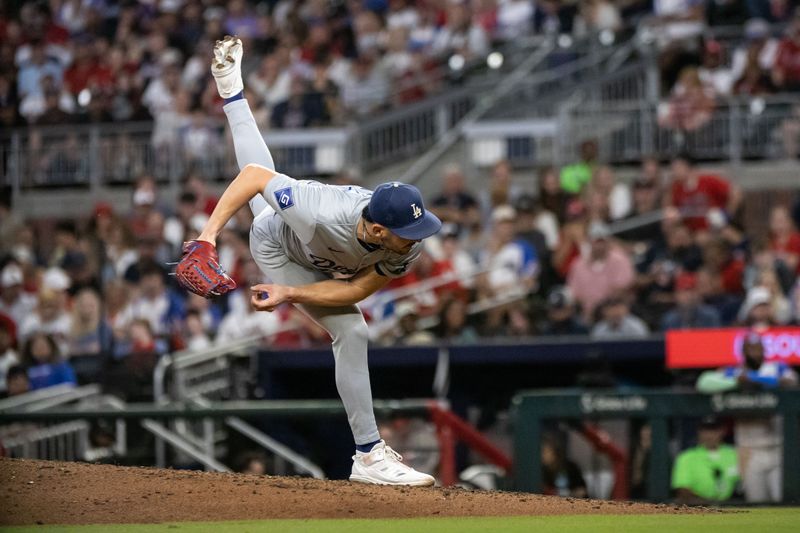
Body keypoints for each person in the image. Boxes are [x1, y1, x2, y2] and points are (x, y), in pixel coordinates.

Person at [182, 36, 440, 486]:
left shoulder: (405, 245)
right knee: (352, 329)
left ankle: (231, 92)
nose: (418, 240)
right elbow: (254, 177)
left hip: (316, 258)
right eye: (408, 232)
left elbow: (356, 290)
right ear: (379, 230)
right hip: (278, 244)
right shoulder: (320, 208)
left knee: (349, 314)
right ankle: (368, 454)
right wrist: (208, 236)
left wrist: (291, 294)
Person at [696, 332, 798, 503]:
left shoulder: (778, 368)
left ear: (765, 350)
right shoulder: (734, 372)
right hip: (748, 450)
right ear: (742, 351)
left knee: (784, 500)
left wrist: (756, 380)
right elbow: (703, 382)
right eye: (750, 349)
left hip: (778, 447)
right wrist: (736, 382)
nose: (755, 353)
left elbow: (791, 382)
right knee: (756, 502)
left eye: (758, 349)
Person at [671, 416, 739, 505]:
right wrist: (710, 504)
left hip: (733, 507)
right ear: (699, 432)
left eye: (714, 430)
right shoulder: (686, 457)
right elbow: (682, 490)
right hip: (699, 508)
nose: (709, 435)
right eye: (705, 430)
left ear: (723, 431)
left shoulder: (734, 454)